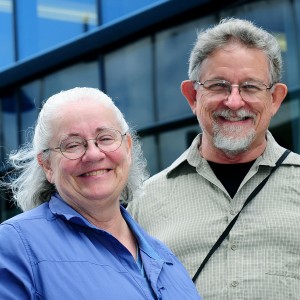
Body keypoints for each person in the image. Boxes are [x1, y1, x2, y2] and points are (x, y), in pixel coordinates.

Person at [127, 17, 300, 299]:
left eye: (250, 87)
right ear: (193, 96)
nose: (233, 102)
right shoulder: (142, 204)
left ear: (276, 99)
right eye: (219, 86)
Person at [0, 87, 201, 300]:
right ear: (47, 165)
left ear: (128, 148)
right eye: (73, 145)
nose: (94, 154)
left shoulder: (166, 258)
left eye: (105, 138)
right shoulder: (15, 245)